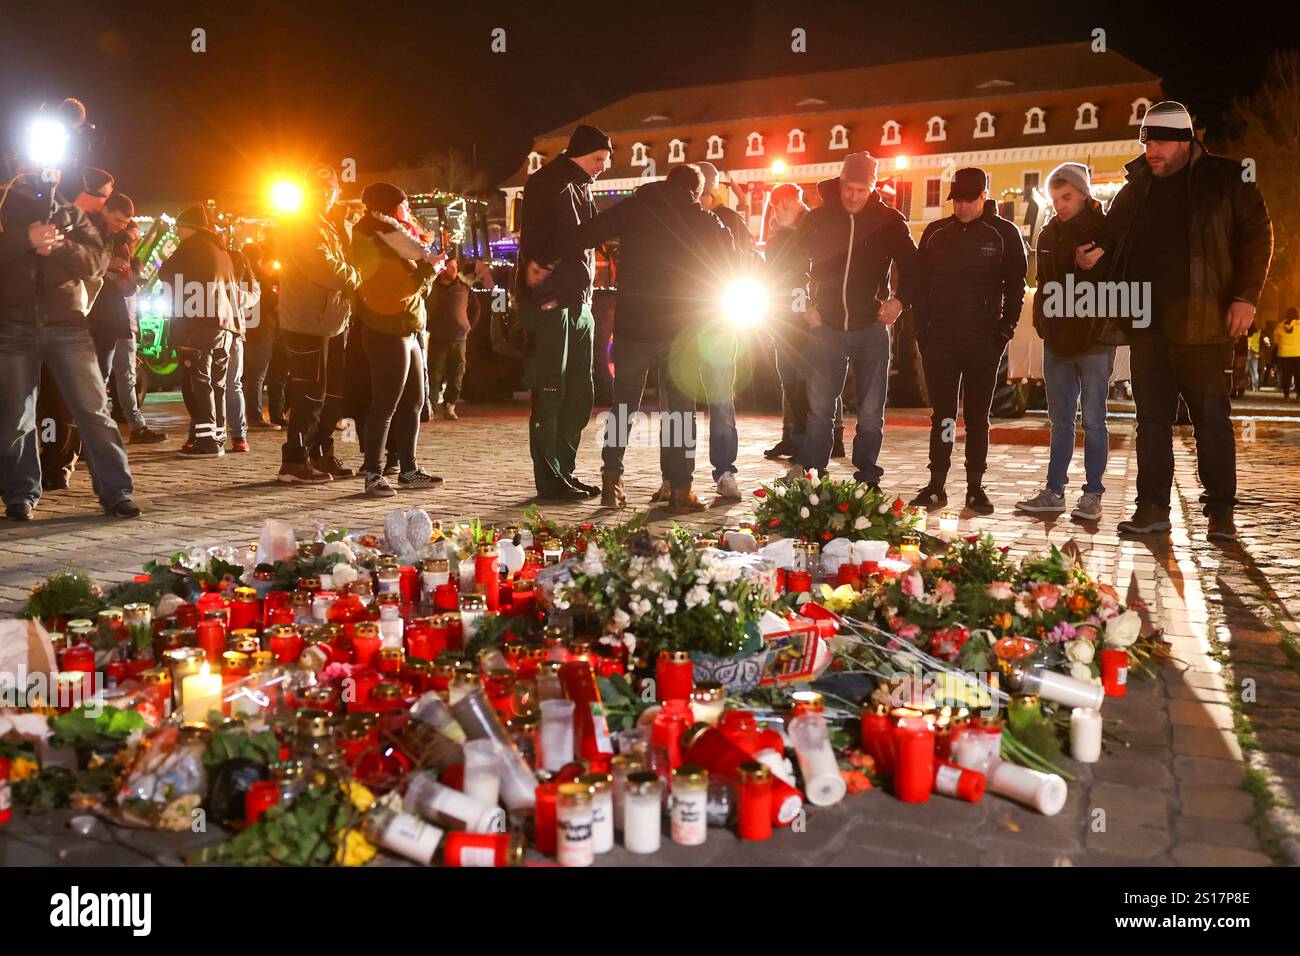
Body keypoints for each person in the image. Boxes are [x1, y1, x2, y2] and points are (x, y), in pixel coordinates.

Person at [1080, 101, 1273, 542]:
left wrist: (1246, 296)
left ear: (1186, 142)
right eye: (1147, 142)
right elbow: (1112, 234)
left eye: (1161, 142)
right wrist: (1095, 250)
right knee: (1151, 420)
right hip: (1148, 325)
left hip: (1206, 325)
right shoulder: (1137, 187)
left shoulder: (1227, 178)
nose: (1151, 151)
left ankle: (1220, 511)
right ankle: (1151, 506)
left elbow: (1258, 236)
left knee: (1211, 418)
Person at [569, 163, 737, 511]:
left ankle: (611, 480)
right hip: (680, 332)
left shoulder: (633, 208)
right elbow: (731, 258)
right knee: (679, 412)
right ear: (695, 190)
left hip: (632, 327)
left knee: (622, 409)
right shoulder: (703, 220)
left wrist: (611, 251)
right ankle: (680, 490)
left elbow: (585, 233)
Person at [0, 170, 139, 520]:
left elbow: (95, 265)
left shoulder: (71, 215)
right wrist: (26, 239)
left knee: (93, 411)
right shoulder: (3, 209)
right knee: (17, 415)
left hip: (68, 325)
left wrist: (59, 245)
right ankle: (20, 494)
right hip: (13, 324)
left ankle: (116, 492)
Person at [784, 152, 917, 489]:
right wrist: (803, 305)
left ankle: (867, 475)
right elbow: (790, 265)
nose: (854, 196)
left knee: (871, 414)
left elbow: (916, 267)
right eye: (849, 187)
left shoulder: (889, 221)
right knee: (820, 412)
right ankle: (814, 474)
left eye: (862, 189)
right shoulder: (818, 219)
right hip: (824, 328)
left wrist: (900, 300)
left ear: (872, 187)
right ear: (841, 183)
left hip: (871, 328)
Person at [905, 168, 1027, 516]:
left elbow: (1015, 286)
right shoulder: (935, 233)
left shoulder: (1003, 234)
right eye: (956, 199)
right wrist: (922, 331)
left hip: (982, 341)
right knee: (942, 416)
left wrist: (1005, 331)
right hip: (940, 341)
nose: (961, 206)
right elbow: (919, 282)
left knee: (977, 417)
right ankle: (936, 485)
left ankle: (975, 486)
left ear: (984, 197)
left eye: (969, 199)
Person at [1016, 164, 1122, 521]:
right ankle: (1054, 490)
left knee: (1094, 419)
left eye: (1067, 197)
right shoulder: (1047, 235)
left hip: (1094, 337)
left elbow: (1120, 276)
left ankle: (1092, 494)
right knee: (1060, 419)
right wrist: (1043, 323)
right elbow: (1043, 283)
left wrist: (1094, 264)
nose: (1060, 205)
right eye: (1056, 198)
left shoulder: (1108, 230)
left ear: (1084, 194)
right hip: (1058, 338)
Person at [517, 124, 611, 502]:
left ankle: (564, 470)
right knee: (552, 390)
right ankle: (550, 477)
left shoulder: (582, 185)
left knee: (580, 392)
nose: (603, 166)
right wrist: (544, 285)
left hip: (579, 300)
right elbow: (542, 243)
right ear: (582, 153)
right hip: (553, 302)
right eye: (599, 159)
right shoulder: (547, 183)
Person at [351, 181, 443, 497]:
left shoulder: (396, 238)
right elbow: (397, 289)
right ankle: (374, 472)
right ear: (389, 208)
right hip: (387, 330)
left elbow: (413, 286)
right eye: (402, 205)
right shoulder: (373, 237)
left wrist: (427, 272)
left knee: (414, 401)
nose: (407, 211)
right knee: (385, 404)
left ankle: (409, 469)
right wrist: (430, 271)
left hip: (408, 327)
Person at [277, 164, 362, 483]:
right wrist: (355, 277)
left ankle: (320, 452)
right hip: (306, 323)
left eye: (331, 189)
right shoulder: (300, 224)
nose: (326, 194)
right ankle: (294, 460)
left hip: (333, 321)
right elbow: (323, 267)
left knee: (333, 395)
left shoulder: (330, 223)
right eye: (318, 188)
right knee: (309, 394)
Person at [689, 161, 757, 501]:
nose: (699, 197)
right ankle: (675, 475)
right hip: (683, 321)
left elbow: (746, 262)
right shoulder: (677, 218)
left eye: (704, 191)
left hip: (717, 319)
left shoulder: (730, 220)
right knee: (680, 402)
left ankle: (725, 471)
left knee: (721, 397)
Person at [159, 204, 242, 458]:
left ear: (189, 228)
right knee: (217, 383)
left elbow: (165, 272)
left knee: (200, 381)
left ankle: (206, 443)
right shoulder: (221, 250)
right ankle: (218, 437)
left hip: (200, 324)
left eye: (178, 228)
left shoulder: (192, 247)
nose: (177, 233)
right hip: (226, 326)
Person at [89, 191, 166, 443]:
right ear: (106, 211)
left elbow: (127, 281)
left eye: (125, 223)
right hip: (99, 315)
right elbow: (81, 266)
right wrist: (106, 264)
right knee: (100, 372)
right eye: (119, 220)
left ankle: (136, 425)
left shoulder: (122, 242)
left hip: (120, 314)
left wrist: (130, 281)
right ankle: (94, 429)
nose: (122, 226)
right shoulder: (90, 234)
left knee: (126, 373)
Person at [426, 257, 480, 421]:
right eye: (450, 267)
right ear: (443, 269)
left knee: (457, 373)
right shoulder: (433, 288)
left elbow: (476, 308)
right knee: (435, 374)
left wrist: (468, 326)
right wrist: (429, 326)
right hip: (439, 338)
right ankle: (432, 407)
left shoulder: (464, 288)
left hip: (459, 339)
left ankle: (450, 405)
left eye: (455, 267)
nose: (454, 270)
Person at [222, 240, 260, 453]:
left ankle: (204, 432)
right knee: (233, 384)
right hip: (235, 334)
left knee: (208, 385)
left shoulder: (217, 278)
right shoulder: (238, 288)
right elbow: (253, 296)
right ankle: (239, 435)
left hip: (214, 333)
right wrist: (254, 284)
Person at [243, 243, 281, 430]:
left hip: (245, 331)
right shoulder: (261, 277)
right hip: (262, 331)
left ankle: (242, 414)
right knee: (257, 377)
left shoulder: (239, 274)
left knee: (245, 377)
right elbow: (272, 302)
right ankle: (255, 416)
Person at [1278, 308, 1300, 399]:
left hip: (1284, 355)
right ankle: (1299, 395)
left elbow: (1276, 341)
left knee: (1286, 375)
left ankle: (1286, 395)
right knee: (1298, 375)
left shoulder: (1279, 327)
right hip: (1298, 354)